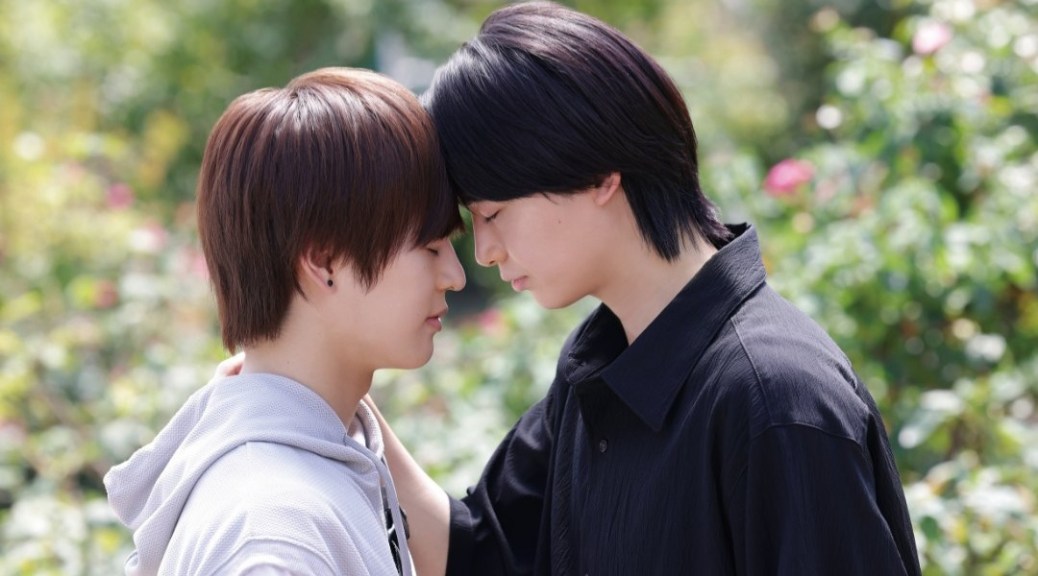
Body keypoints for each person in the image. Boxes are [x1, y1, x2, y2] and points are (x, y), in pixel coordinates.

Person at [369, 2, 923, 575]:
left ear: (598, 175)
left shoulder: (775, 398)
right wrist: (335, 375)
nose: (485, 251)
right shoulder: (601, 363)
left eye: (493, 213)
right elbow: (476, 554)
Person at [103, 67, 466, 576]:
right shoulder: (273, 539)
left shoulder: (321, 456)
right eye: (430, 247)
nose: (455, 276)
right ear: (324, 262)